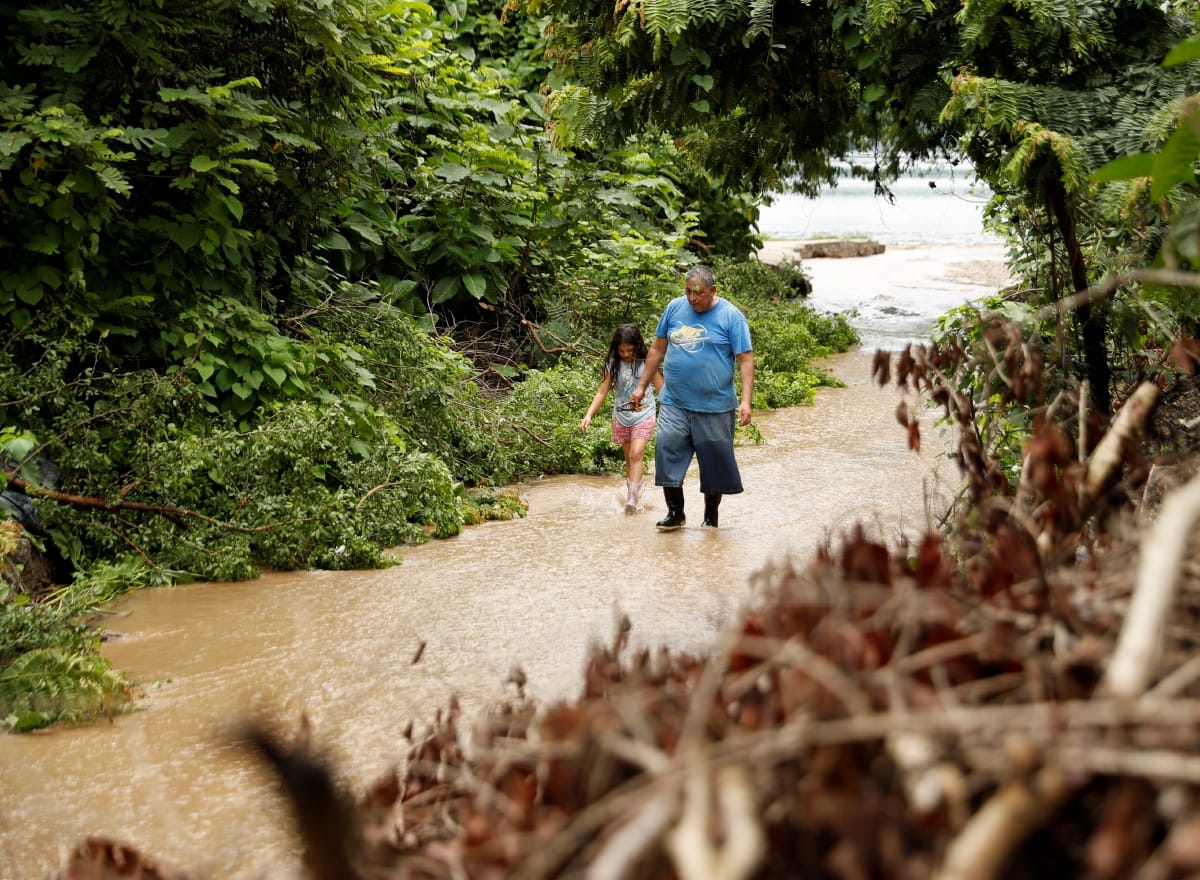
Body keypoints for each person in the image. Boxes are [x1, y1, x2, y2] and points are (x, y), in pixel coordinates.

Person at [629, 264, 754, 530]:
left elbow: (745, 360)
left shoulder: (731, 317)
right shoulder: (674, 308)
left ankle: (710, 518)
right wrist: (641, 386)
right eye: (688, 292)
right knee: (667, 451)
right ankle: (676, 513)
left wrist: (745, 401)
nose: (692, 298)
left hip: (716, 406)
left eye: (698, 293)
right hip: (675, 402)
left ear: (713, 290)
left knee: (715, 464)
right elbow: (657, 349)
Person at [580, 323, 664, 514]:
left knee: (636, 454)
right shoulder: (613, 364)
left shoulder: (647, 362)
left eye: (630, 350)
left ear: (637, 346)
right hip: (622, 416)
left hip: (644, 413)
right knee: (629, 458)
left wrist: (675, 411)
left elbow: (661, 388)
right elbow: (602, 391)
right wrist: (589, 414)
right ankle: (633, 497)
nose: (626, 354)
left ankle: (632, 501)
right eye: (622, 350)